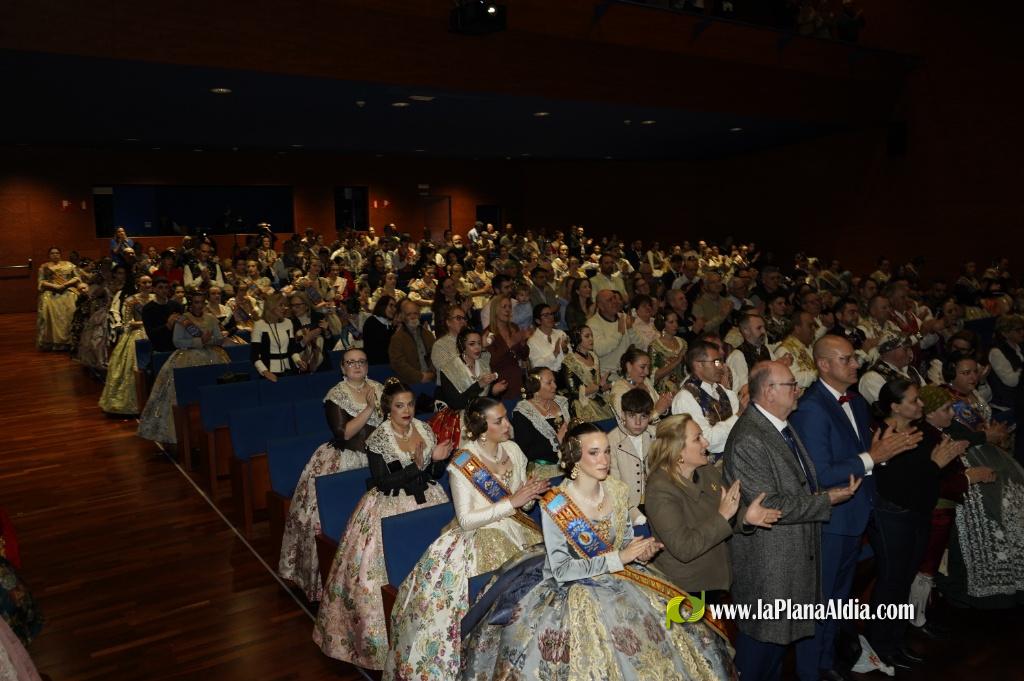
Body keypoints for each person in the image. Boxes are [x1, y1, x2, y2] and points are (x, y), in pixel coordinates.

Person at [460, 422, 736, 680]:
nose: (604, 460)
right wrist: (620, 557)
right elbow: (562, 569)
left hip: (626, 579)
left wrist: (640, 551)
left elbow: (625, 539)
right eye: (594, 453)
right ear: (575, 457)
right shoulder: (557, 503)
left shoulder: (616, 489)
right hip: (574, 591)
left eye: (606, 451)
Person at [383, 398, 547, 681]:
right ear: (482, 430)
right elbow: (467, 519)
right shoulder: (463, 461)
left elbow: (523, 508)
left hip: (519, 532)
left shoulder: (513, 450)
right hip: (475, 539)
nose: (508, 424)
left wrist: (529, 495)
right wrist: (512, 502)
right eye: (499, 421)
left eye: (505, 418)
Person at [788, 335, 921, 679]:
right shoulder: (811, 407)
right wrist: (872, 457)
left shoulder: (858, 401)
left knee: (840, 599)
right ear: (823, 364)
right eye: (846, 359)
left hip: (857, 511)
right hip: (829, 519)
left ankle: (827, 662)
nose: (856, 364)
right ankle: (809, 671)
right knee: (818, 602)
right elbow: (820, 473)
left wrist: (878, 460)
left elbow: (869, 457)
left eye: (854, 358)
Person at [723, 361, 860, 681]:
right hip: (770, 567)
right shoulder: (748, 438)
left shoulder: (781, 425)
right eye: (791, 385)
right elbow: (767, 503)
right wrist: (825, 500)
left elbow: (798, 484)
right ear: (769, 391)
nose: (798, 390)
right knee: (758, 657)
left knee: (774, 658)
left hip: (790, 561)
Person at [313, 380, 453, 669]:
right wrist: (419, 464)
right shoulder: (378, 438)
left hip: (427, 499)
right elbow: (382, 481)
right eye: (399, 405)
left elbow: (433, 473)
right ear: (388, 408)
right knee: (378, 572)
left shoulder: (424, 429)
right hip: (388, 506)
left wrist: (439, 458)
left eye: (410, 404)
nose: (406, 410)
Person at [863, 379, 967, 671]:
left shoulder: (921, 431)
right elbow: (896, 485)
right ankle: (882, 645)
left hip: (919, 512)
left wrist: (941, 462)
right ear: (895, 407)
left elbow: (930, 475)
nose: (920, 404)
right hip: (893, 515)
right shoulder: (884, 435)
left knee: (905, 579)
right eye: (913, 401)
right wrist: (935, 465)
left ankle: (895, 640)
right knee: (891, 581)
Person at [278, 348, 381, 603]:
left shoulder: (379, 388)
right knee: (330, 520)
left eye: (361, 361)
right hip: (344, 459)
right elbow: (342, 433)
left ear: (367, 365)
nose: (356, 366)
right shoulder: (335, 395)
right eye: (351, 362)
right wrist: (369, 408)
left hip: (376, 458)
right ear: (343, 368)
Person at [647, 413, 781, 596]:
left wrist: (746, 517)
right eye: (697, 439)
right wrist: (723, 516)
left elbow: (727, 513)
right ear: (678, 450)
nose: (706, 443)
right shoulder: (660, 489)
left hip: (718, 579)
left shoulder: (707, 472)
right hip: (686, 591)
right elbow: (684, 548)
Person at [939, 354, 1024, 609]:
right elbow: (958, 434)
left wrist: (995, 435)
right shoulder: (946, 398)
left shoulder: (974, 395)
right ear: (952, 374)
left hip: (990, 454)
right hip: (968, 459)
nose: (973, 377)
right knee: (983, 518)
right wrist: (988, 436)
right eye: (966, 373)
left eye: (975, 372)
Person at [137, 291, 229, 445]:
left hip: (212, 356)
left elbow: (218, 338)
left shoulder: (211, 319)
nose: (199, 306)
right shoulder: (183, 320)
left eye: (201, 302)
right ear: (190, 304)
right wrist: (199, 341)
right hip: (187, 357)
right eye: (196, 302)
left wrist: (212, 340)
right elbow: (177, 342)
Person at [671, 340, 742, 463]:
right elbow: (706, 441)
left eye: (720, 361)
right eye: (715, 362)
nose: (721, 366)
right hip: (708, 468)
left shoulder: (724, 391)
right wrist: (739, 415)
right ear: (699, 365)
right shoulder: (685, 398)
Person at [98, 274, 153, 415]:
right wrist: (145, 323)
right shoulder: (131, 300)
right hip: (137, 334)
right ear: (138, 284)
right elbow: (128, 323)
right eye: (144, 282)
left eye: (149, 282)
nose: (147, 285)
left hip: (154, 333)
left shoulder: (154, 299)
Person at [607, 388, 657, 523]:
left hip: (656, 500)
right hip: (627, 506)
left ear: (650, 416)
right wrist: (633, 513)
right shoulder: (611, 441)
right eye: (632, 415)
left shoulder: (655, 434)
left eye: (644, 416)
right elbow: (613, 486)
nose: (638, 422)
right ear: (623, 415)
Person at [512, 368, 570, 475]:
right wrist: (557, 440)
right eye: (549, 383)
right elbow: (526, 452)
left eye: (554, 382)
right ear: (535, 387)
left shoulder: (563, 403)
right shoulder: (523, 412)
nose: (555, 386)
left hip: (570, 460)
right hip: (544, 468)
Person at [560, 325, 615, 422]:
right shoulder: (570, 361)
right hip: (582, 403)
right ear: (577, 339)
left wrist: (604, 386)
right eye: (587, 336)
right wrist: (598, 387)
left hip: (598, 398)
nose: (591, 339)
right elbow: (574, 392)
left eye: (592, 335)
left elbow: (598, 384)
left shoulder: (593, 356)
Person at [858, 332, 927, 405]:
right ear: (890, 351)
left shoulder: (911, 369)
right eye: (905, 348)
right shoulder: (871, 378)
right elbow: (888, 408)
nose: (910, 352)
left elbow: (926, 393)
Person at [726, 312, 786, 392]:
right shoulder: (738, 356)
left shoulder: (765, 349)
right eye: (759, 328)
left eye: (764, 328)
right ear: (746, 331)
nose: (764, 331)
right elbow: (743, 390)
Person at [611, 347, 673, 423]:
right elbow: (628, 424)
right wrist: (657, 412)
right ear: (629, 366)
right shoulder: (619, 390)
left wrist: (666, 403)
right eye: (642, 367)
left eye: (648, 367)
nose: (647, 372)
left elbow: (659, 406)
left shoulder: (645, 381)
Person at [36, 247, 82, 351]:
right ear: (49, 255)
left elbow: (77, 277)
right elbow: (41, 282)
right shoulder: (44, 267)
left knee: (70, 313)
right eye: (52, 253)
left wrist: (66, 284)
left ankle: (70, 341)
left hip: (68, 290)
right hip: (51, 292)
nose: (55, 255)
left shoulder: (69, 265)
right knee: (48, 306)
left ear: (60, 254)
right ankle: (53, 342)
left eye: (57, 253)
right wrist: (54, 286)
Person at [484, 294, 528, 398]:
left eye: (509, 307)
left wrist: (522, 342)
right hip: (503, 383)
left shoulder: (513, 327)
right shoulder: (488, 333)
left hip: (520, 379)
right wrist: (511, 343)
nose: (508, 310)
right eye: (504, 307)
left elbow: (524, 355)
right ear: (495, 310)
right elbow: (491, 361)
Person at [251, 293, 303, 381]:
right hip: (269, 374)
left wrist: (298, 361)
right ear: (271, 307)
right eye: (281, 305)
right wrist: (265, 372)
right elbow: (254, 356)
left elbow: (292, 349)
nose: (284, 308)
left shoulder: (288, 323)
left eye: (285, 305)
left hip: (289, 371)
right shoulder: (259, 325)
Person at [588, 289, 637, 380]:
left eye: (614, 298)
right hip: (608, 378)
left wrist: (631, 331)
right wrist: (618, 333)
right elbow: (599, 350)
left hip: (629, 372)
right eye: (609, 300)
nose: (615, 301)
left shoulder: (624, 317)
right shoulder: (592, 324)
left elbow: (639, 345)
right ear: (601, 306)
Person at [389, 299, 436, 386]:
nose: (413, 317)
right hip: (409, 383)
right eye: (409, 314)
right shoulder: (397, 338)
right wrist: (420, 376)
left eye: (415, 313)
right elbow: (398, 364)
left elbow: (437, 356)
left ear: (419, 315)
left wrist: (432, 373)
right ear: (403, 317)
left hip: (432, 378)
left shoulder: (428, 334)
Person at [775, 310, 818, 389]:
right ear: (797, 328)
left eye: (814, 326)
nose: (814, 329)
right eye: (810, 326)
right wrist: (819, 373)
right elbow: (793, 379)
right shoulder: (784, 350)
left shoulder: (809, 346)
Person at [648, 310, 688, 395]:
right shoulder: (655, 346)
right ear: (662, 324)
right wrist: (677, 361)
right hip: (664, 391)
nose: (676, 325)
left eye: (676, 321)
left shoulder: (683, 343)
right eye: (671, 322)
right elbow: (654, 376)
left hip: (683, 387)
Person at [526, 304, 568, 372]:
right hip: (548, 377)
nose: (550, 317)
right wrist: (555, 353)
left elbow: (572, 357)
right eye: (545, 315)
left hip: (565, 374)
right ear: (538, 320)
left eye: (551, 314)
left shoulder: (561, 333)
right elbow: (536, 365)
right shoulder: (532, 341)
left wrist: (565, 350)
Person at [362, 295, 396, 366]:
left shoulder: (390, 324)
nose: (394, 309)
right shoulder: (372, 322)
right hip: (375, 365)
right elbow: (382, 345)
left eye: (395, 306)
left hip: (388, 363)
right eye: (391, 305)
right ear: (382, 306)